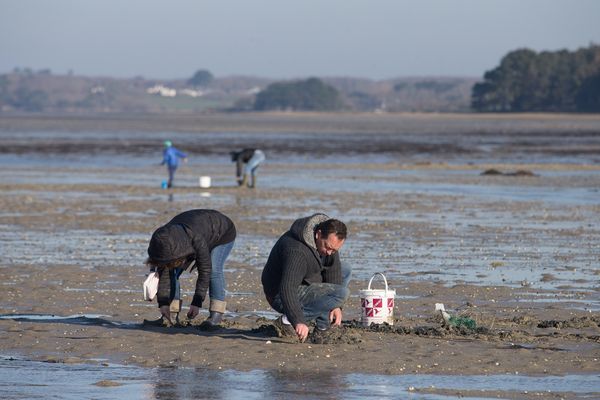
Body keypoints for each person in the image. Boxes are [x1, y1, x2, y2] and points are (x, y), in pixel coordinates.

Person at [261, 213, 350, 343]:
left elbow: (333, 271)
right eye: (328, 247)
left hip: (305, 281)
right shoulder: (297, 251)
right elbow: (287, 288)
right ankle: (286, 321)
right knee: (341, 293)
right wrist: (298, 321)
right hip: (279, 294)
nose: (330, 253)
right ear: (318, 234)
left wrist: (336, 307)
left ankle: (322, 326)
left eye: (334, 250)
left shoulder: (329, 243)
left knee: (345, 270)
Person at [145, 209, 236, 329]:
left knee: (214, 269)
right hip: (192, 231)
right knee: (171, 270)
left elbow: (205, 270)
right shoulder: (163, 241)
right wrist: (163, 304)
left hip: (222, 232)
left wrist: (196, 303)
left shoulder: (196, 239)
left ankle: (216, 315)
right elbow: (165, 271)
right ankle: (171, 314)